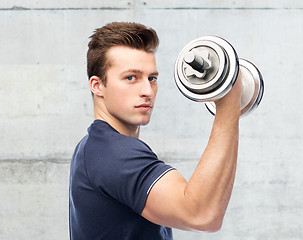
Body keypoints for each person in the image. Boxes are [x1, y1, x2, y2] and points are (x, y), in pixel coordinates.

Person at [69, 22, 242, 240]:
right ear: (97, 85)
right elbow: (202, 214)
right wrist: (228, 102)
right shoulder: (114, 153)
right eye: (131, 78)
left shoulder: (91, 146)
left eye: (152, 78)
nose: (147, 91)